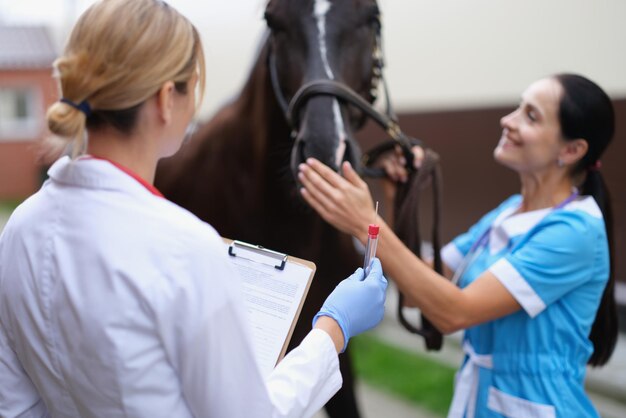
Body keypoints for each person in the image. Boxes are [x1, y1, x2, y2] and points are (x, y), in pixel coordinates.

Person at [0, 1, 388, 417]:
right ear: (168, 99)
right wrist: (334, 328)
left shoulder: (20, 228)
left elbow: (15, 403)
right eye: (193, 85)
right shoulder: (187, 249)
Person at [297, 73, 618, 417]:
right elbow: (422, 284)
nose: (507, 121)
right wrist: (397, 199)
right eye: (517, 108)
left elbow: (454, 312)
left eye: (531, 116)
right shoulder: (509, 212)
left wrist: (367, 225)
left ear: (572, 150)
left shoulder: (575, 232)